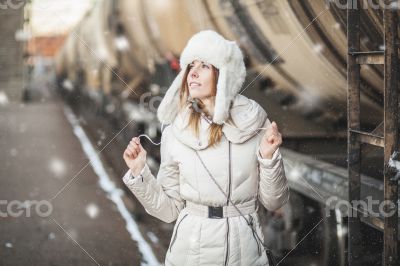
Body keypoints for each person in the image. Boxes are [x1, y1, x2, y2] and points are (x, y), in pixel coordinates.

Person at [122, 30, 289, 266]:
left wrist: (269, 158)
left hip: (245, 253)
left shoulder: (255, 122)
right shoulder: (175, 129)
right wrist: (140, 174)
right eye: (191, 66)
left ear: (224, 75)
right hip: (190, 253)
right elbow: (168, 211)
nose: (194, 73)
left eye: (205, 66)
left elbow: (274, 202)